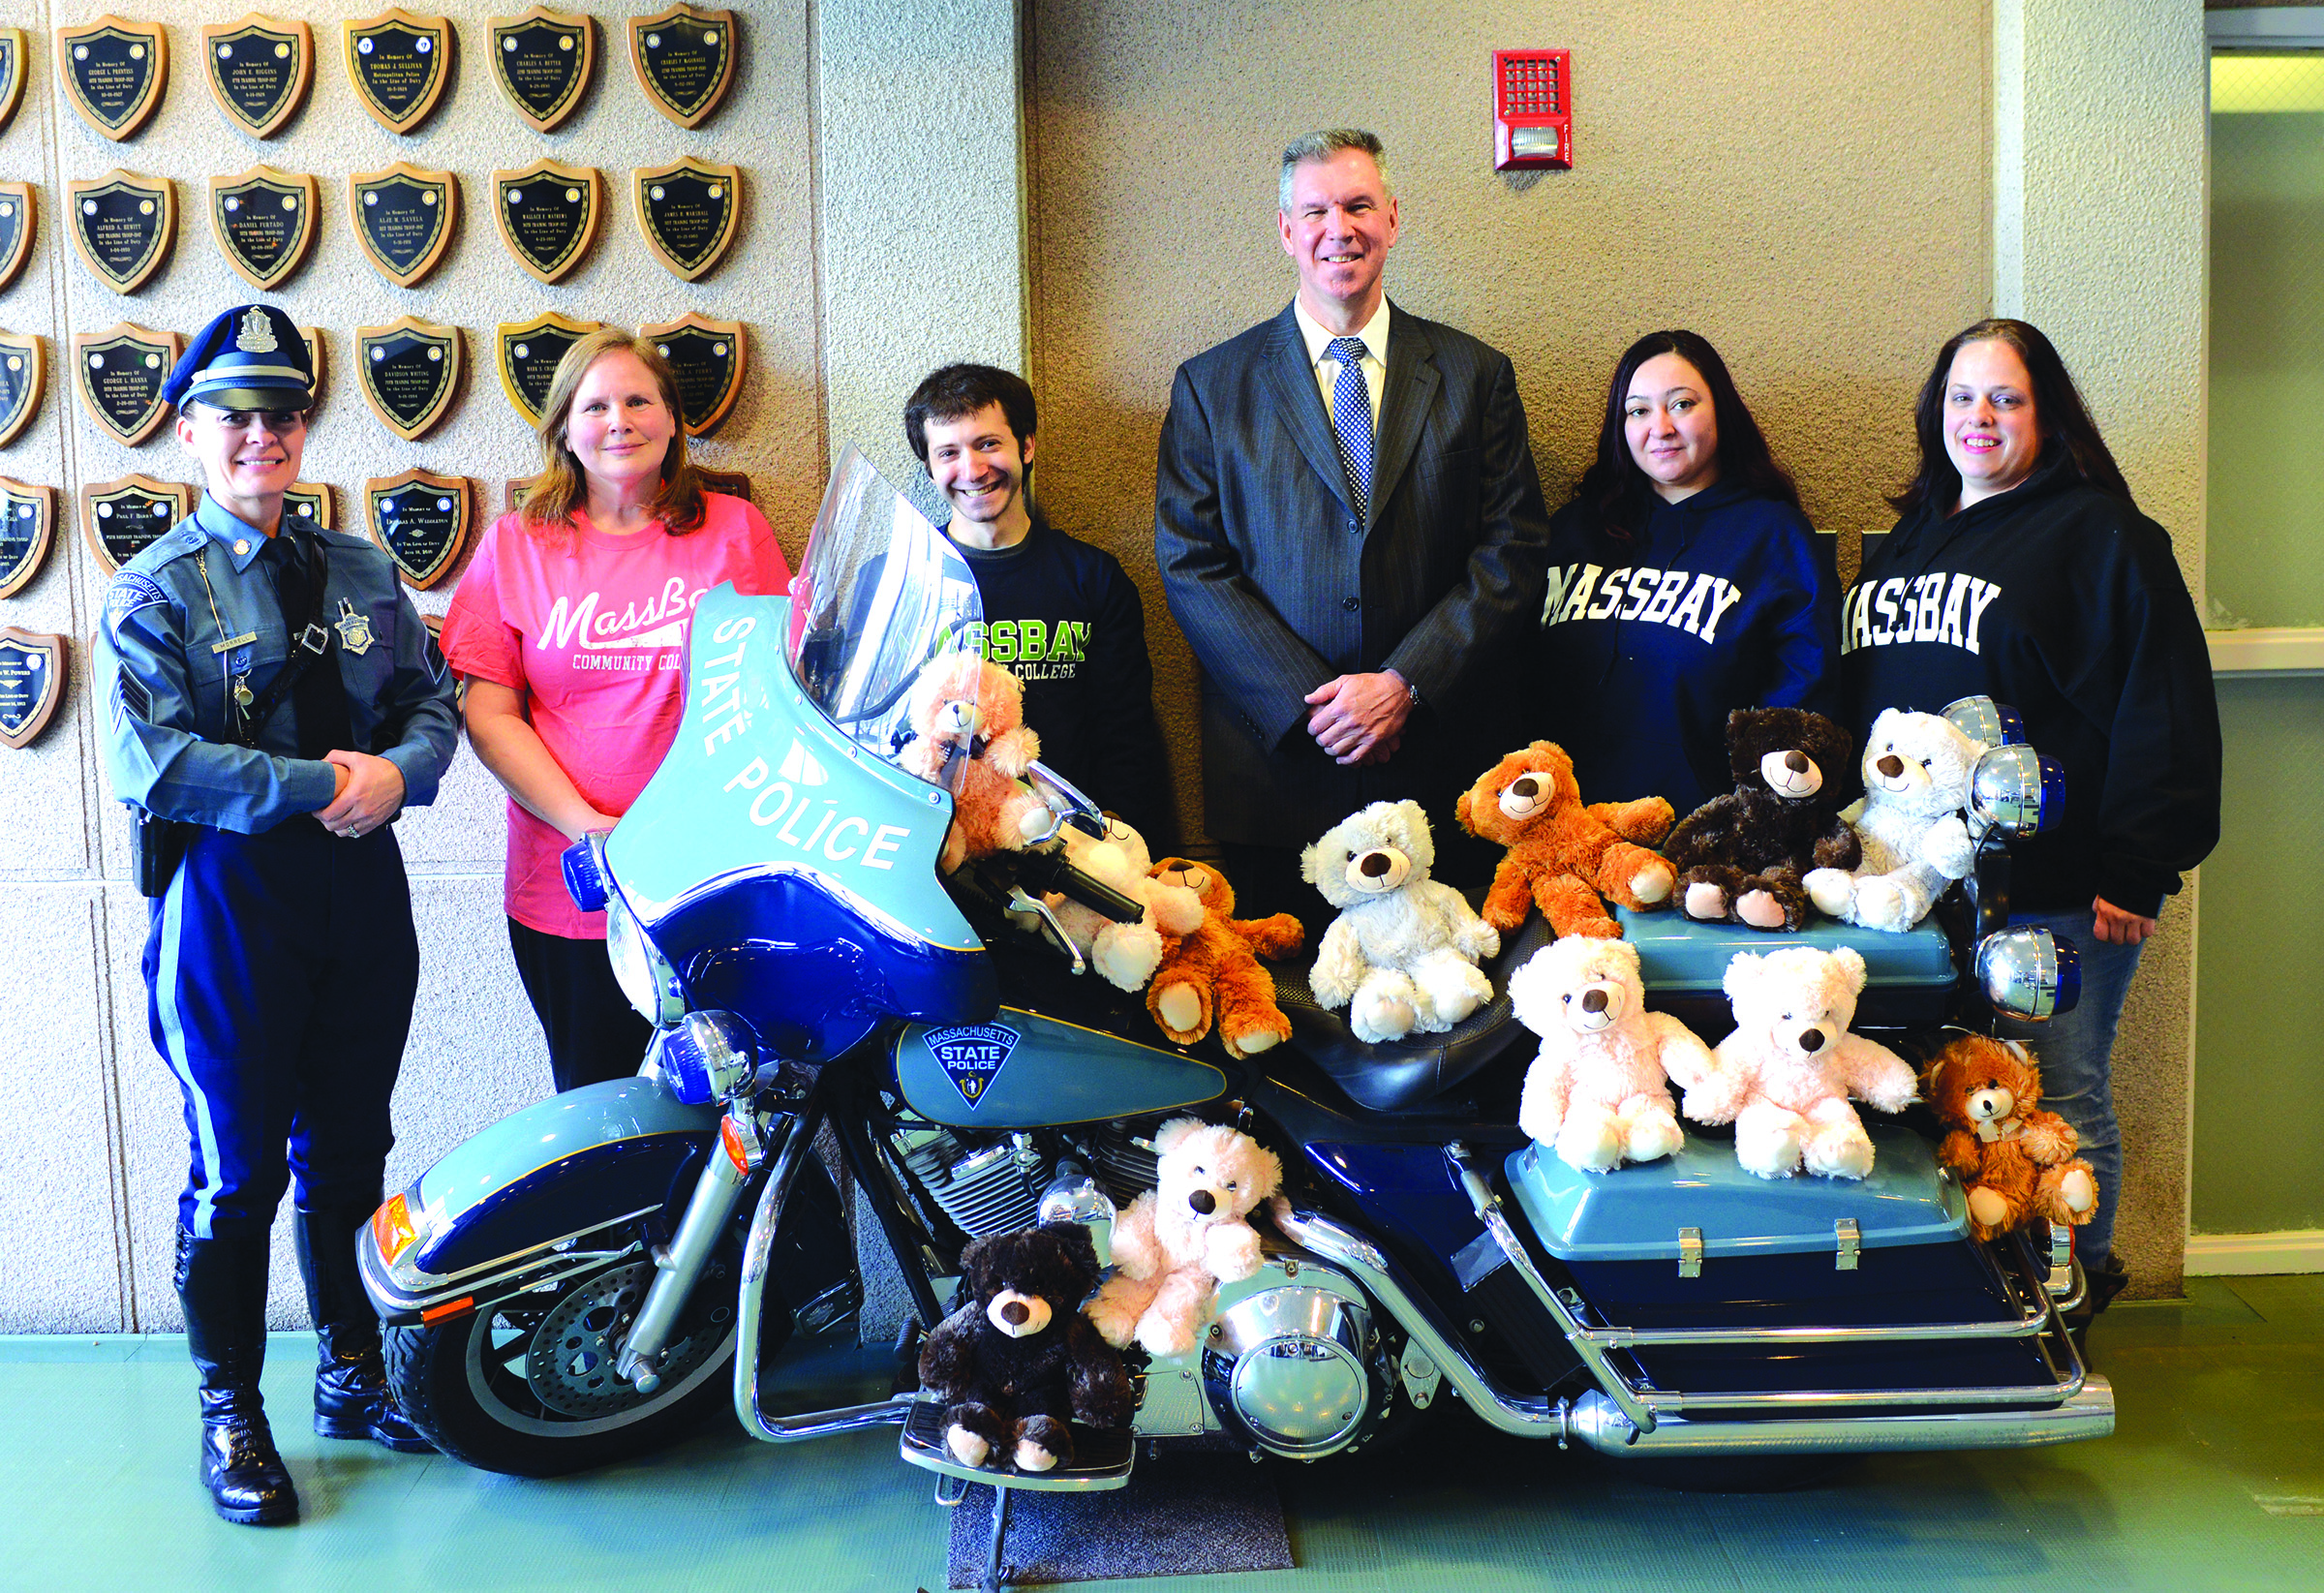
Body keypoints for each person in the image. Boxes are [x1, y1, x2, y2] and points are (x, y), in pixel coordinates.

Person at [95, 303, 460, 1525]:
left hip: (362, 894)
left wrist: (400, 773)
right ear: (189, 428)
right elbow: (157, 761)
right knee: (237, 1172)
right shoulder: (154, 590)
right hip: (231, 906)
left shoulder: (361, 568)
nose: (265, 436)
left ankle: (351, 1374)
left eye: (286, 414)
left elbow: (431, 702)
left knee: (353, 1151)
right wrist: (330, 783)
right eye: (238, 416)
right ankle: (229, 1405)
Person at [1842, 317, 2221, 1321]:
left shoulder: (2102, 535)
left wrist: (2140, 864)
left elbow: (2164, 699)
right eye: (1963, 397)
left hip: (2053, 893)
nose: (1980, 418)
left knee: (2054, 1092)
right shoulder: (1918, 534)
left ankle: (2069, 1292)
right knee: (1956, 1098)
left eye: (2006, 398)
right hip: (1922, 891)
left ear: (2047, 416)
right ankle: (1975, 1303)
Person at [1155, 128, 1550, 911]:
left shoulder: (1476, 375)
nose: (1340, 227)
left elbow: (1514, 548)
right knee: (1291, 1013)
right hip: (1281, 773)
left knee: (1451, 1011)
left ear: (1393, 219)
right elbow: (1193, 566)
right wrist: (1320, 705)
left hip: (1442, 768)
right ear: (1286, 231)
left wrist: (1406, 682)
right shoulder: (1210, 385)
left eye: (1359, 204)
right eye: (1317, 209)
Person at [441, 331, 791, 1093]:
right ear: (564, 427)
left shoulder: (735, 531)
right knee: (602, 1115)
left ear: (672, 418)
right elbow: (490, 713)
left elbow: (779, 691)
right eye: (595, 404)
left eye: (639, 399)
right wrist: (590, 828)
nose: (619, 419)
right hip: (574, 893)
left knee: (729, 1116)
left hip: (714, 884)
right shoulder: (517, 545)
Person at [1531, 329, 1842, 815]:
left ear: (1722, 411)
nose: (1661, 427)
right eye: (1638, 411)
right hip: (1565, 836)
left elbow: (1801, 709)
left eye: (1682, 404)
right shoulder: (1574, 530)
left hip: (1702, 843)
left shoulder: (1774, 537)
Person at [903, 362, 1176, 847]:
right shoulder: (903, 581)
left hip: (1065, 844)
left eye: (988, 443)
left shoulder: (1094, 579)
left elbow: (1125, 732)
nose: (972, 469)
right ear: (929, 465)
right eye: (949, 452)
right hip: (938, 844)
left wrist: (1119, 841)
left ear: (1026, 446)